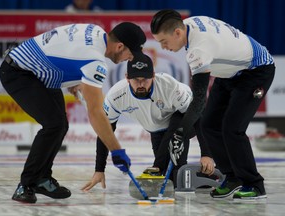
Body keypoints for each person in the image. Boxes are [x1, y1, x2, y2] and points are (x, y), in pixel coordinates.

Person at [0, 22, 146, 203]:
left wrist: (73, 79)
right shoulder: (95, 62)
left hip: (40, 72)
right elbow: (95, 113)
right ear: (120, 46)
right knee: (54, 125)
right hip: (19, 72)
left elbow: (64, 48)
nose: (130, 60)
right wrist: (117, 150)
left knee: (60, 125)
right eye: (131, 55)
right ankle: (26, 184)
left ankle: (43, 178)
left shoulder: (96, 31)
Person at [150, 9, 275, 200]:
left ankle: (254, 184)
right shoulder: (189, 25)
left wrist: (181, 133)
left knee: (232, 128)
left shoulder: (198, 50)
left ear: (177, 33)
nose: (163, 48)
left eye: (163, 42)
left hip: (256, 70)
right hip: (229, 73)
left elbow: (199, 100)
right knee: (208, 125)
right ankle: (232, 178)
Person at [80, 52, 215, 191]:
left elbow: (197, 116)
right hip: (157, 129)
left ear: (153, 76)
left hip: (184, 120)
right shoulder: (116, 96)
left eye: (145, 79)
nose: (141, 84)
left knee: (173, 133)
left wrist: (206, 154)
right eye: (136, 79)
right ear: (127, 78)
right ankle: (212, 177)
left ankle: (156, 168)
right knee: (175, 179)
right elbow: (105, 130)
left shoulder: (170, 87)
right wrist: (99, 169)